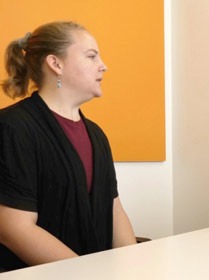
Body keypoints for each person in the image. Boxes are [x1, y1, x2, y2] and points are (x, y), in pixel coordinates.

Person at [0, 21, 137, 271]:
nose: (103, 66)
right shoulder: (13, 128)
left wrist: (134, 267)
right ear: (56, 64)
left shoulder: (96, 135)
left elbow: (114, 209)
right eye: (91, 56)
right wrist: (86, 273)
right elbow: (13, 228)